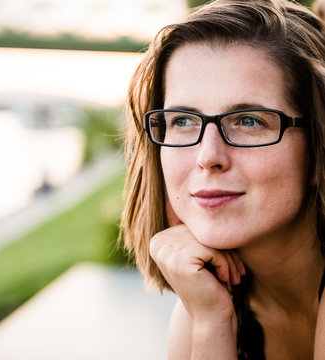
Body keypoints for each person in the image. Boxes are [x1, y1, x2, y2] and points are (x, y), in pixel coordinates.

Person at [120, 0, 325, 358]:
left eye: (248, 120)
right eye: (183, 121)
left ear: (318, 146)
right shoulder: (204, 302)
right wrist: (212, 323)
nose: (208, 157)